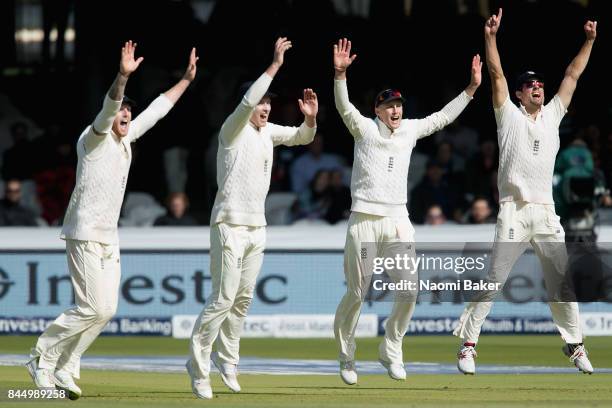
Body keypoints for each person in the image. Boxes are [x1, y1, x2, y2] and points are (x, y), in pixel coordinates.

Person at [25, 41, 198, 398]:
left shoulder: (127, 138)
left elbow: (157, 111)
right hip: (84, 231)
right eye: (121, 113)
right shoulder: (93, 138)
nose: (126, 117)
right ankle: (41, 358)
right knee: (93, 306)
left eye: (128, 114)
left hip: (108, 235)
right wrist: (122, 76)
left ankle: (67, 366)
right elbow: (110, 106)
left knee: (106, 311)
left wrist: (186, 80)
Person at [453, 9, 596, 375]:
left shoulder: (552, 114)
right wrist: (490, 37)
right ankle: (468, 345)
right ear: (518, 94)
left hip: (545, 211)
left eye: (540, 85)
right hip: (514, 209)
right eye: (530, 85)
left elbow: (573, 74)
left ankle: (574, 345)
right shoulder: (509, 115)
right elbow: (497, 74)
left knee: (561, 280)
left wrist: (589, 41)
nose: (538, 87)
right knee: (494, 279)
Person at [332, 37, 480, 384]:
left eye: (399, 105)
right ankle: (346, 355)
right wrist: (340, 75)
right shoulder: (364, 129)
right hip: (365, 221)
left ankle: (391, 349)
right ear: (378, 111)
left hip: (398, 221)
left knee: (409, 289)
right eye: (389, 106)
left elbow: (442, 118)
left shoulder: (410, 129)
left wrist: (471, 89)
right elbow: (343, 108)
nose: (396, 111)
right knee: (357, 291)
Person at [187, 37, 318, 400]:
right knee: (222, 298)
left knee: (243, 299)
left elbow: (303, 138)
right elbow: (246, 103)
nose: (264, 107)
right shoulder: (232, 130)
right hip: (228, 224)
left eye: (268, 103)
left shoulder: (269, 132)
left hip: (256, 228)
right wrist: (275, 64)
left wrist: (311, 119)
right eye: (261, 102)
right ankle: (198, 366)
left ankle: (228, 360)